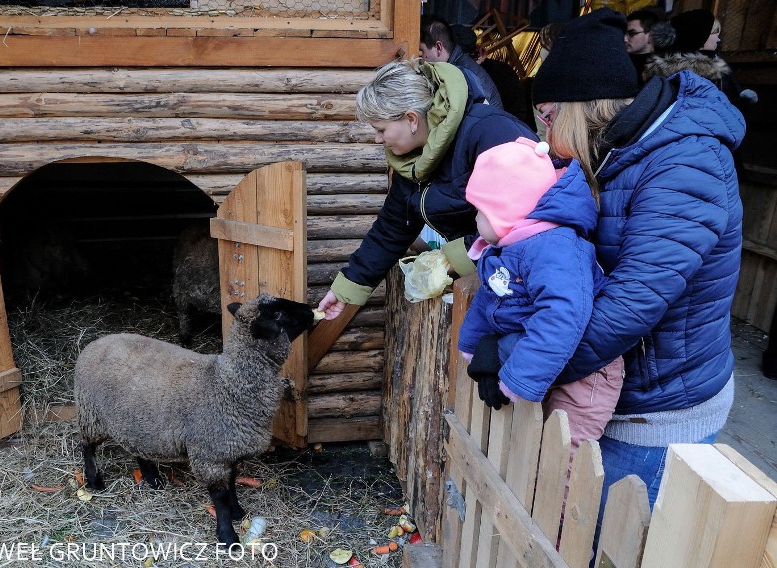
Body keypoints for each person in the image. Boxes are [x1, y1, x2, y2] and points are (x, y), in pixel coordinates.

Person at [531, 5, 745, 549]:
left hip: (661, 402)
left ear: (577, 109)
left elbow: (634, 302)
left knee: (610, 546)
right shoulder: (618, 152)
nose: (544, 131)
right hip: (620, 386)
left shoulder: (683, 162)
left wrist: (530, 364)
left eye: (547, 117)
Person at [316, 58, 536, 320]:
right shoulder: (414, 158)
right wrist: (346, 289)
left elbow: (520, 217)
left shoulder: (490, 133)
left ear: (411, 119)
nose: (377, 139)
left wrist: (452, 259)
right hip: (484, 278)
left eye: (381, 129)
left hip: (525, 283)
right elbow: (393, 227)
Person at [457, 137, 624, 452]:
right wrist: (471, 344)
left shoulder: (553, 249)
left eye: (481, 210)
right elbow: (490, 299)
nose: (475, 220)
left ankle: (560, 502)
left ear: (508, 210)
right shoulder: (511, 248)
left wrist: (518, 378)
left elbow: (561, 316)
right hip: (544, 356)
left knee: (563, 452)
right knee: (532, 449)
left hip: (587, 372)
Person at [644, 9, 758, 110]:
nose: (718, 39)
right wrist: (739, 105)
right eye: (714, 33)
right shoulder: (691, 74)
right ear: (699, 37)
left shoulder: (713, 61)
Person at [420, 15, 504, 109]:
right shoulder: (457, 64)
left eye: (421, 51)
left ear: (439, 47)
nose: (419, 59)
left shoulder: (463, 74)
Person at [625, 8, 664, 83]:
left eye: (632, 33)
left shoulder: (665, 66)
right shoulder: (619, 60)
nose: (625, 39)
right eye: (624, 33)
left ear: (651, 35)